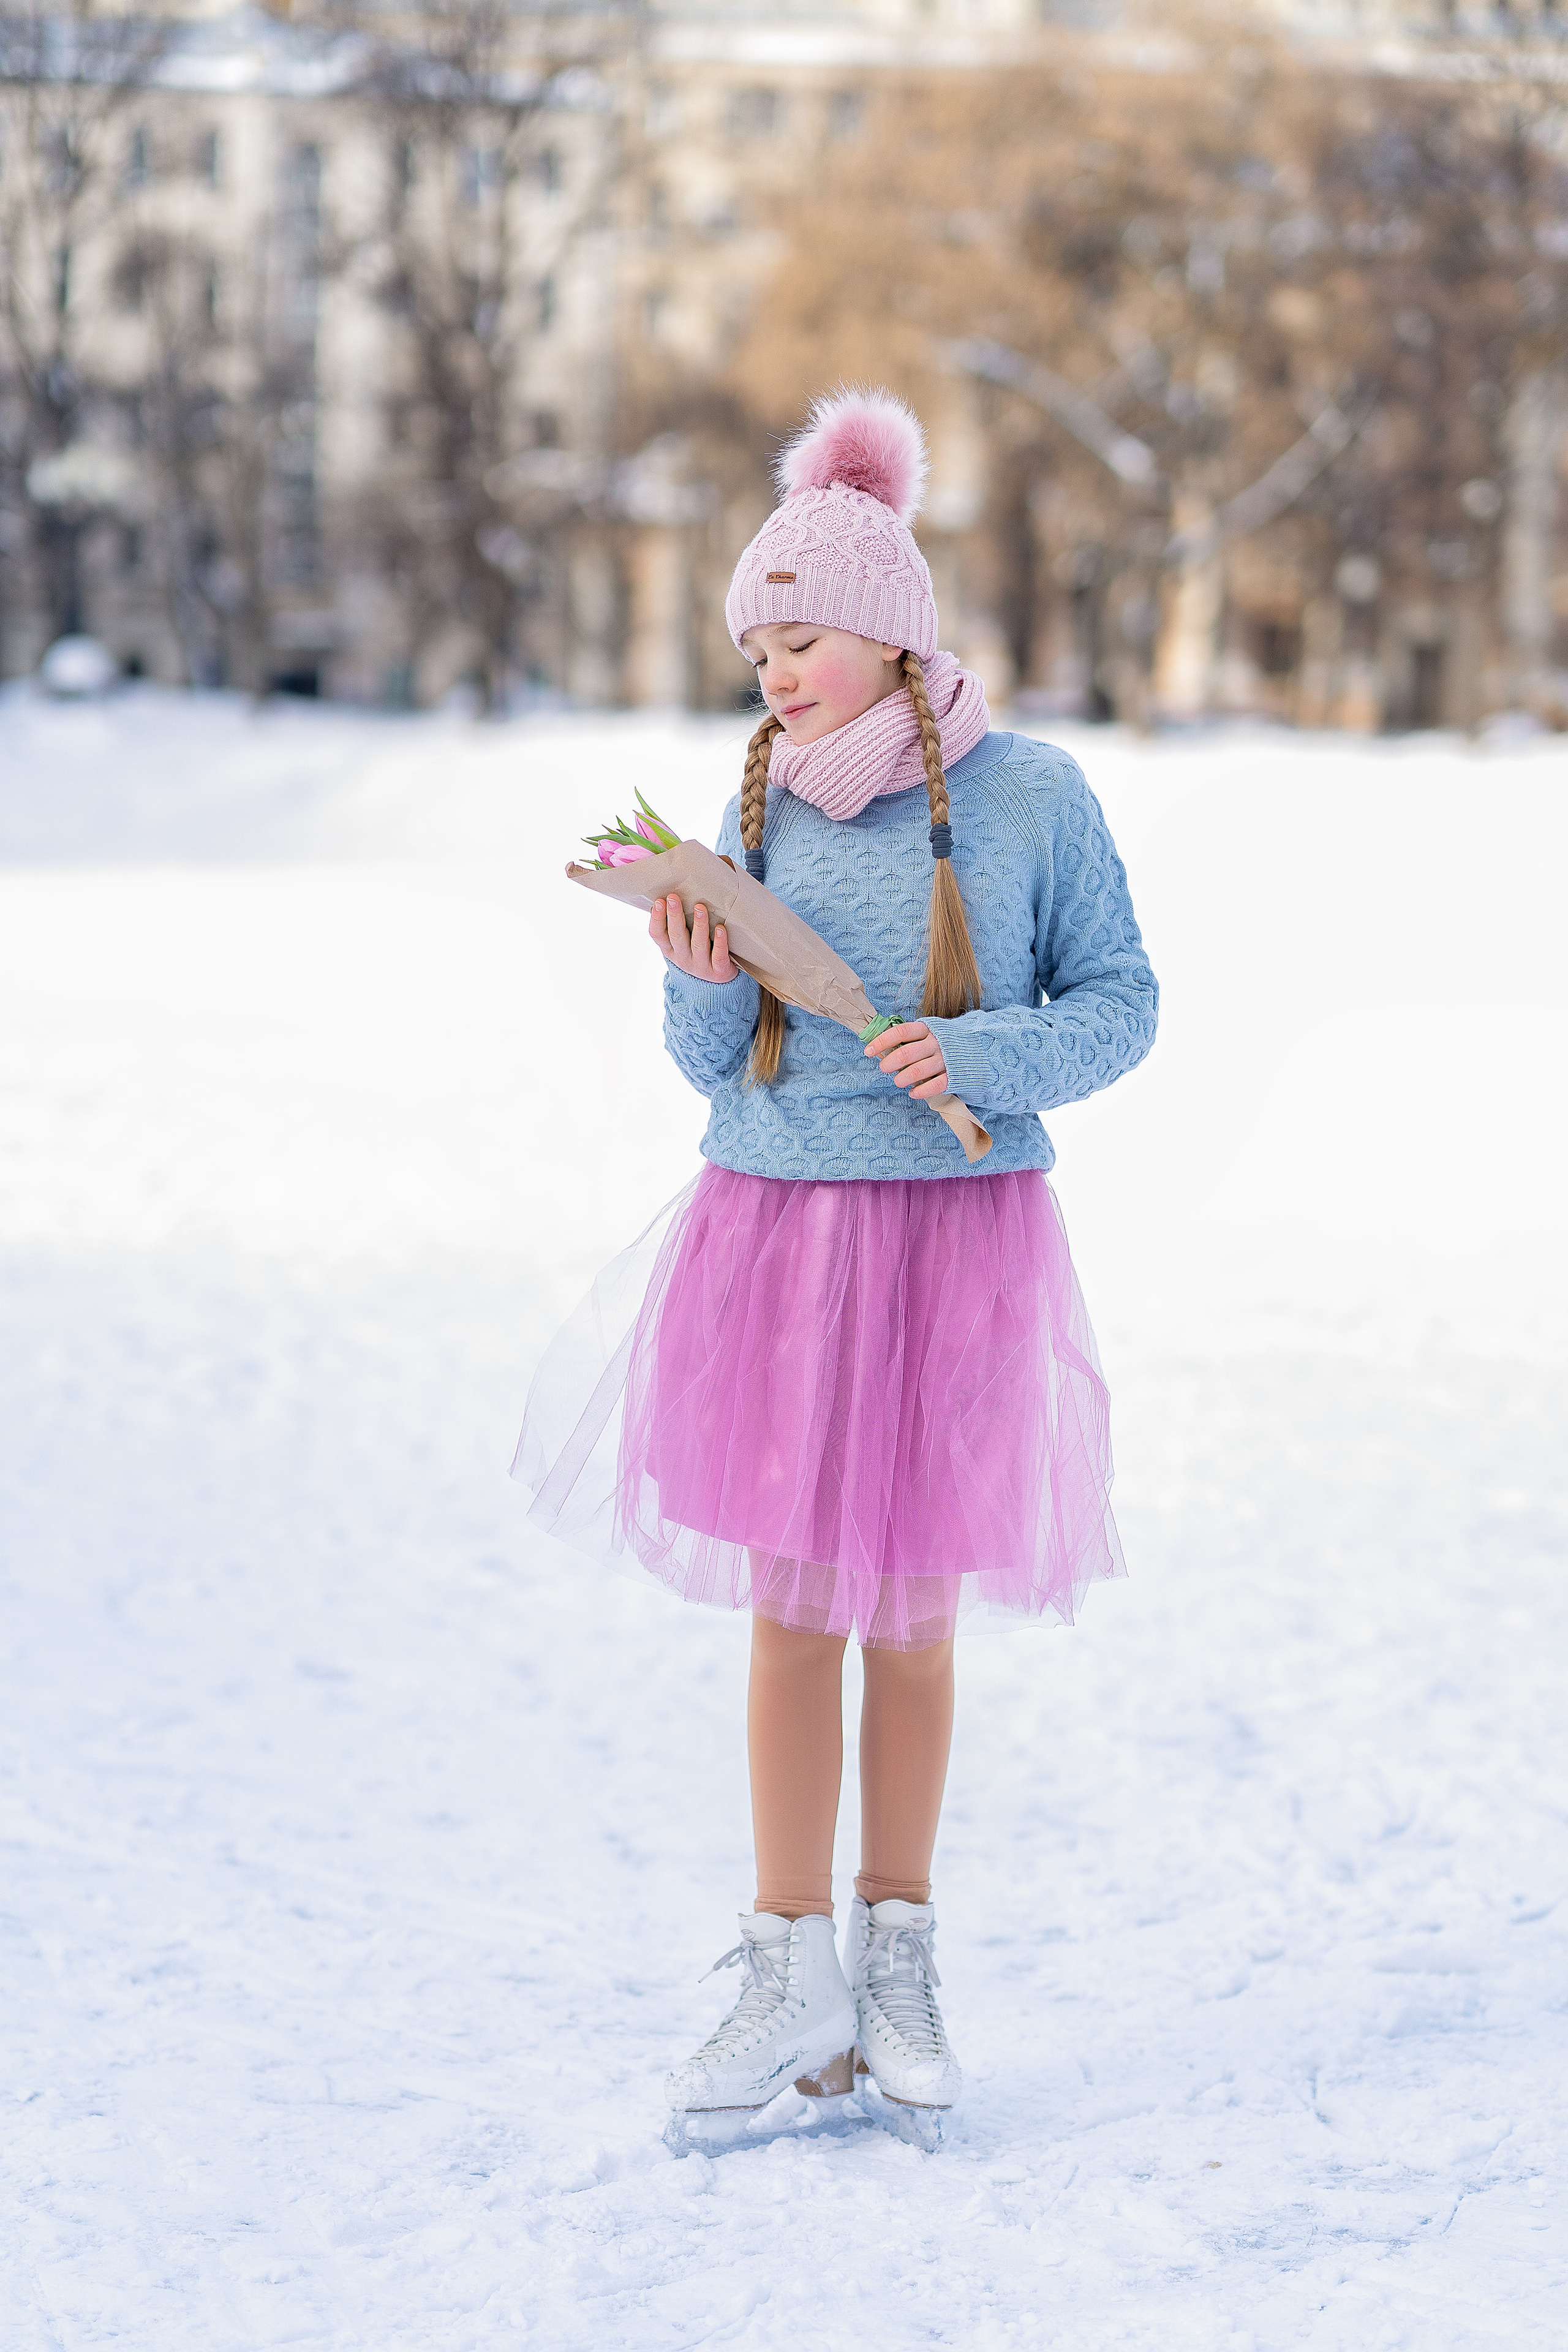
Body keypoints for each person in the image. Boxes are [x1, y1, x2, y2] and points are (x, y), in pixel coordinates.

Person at [514, 386, 1158, 2143]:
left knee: (917, 1617)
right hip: (777, 1244)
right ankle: (784, 1954)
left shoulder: (1031, 801)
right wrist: (700, 966)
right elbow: (715, 1072)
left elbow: (1124, 1003)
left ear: (885, 632)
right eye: (756, 652)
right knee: (796, 1614)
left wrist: (993, 1056)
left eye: (798, 639)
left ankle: (896, 1950)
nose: (775, 675)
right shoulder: (754, 813)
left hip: (956, 1249)